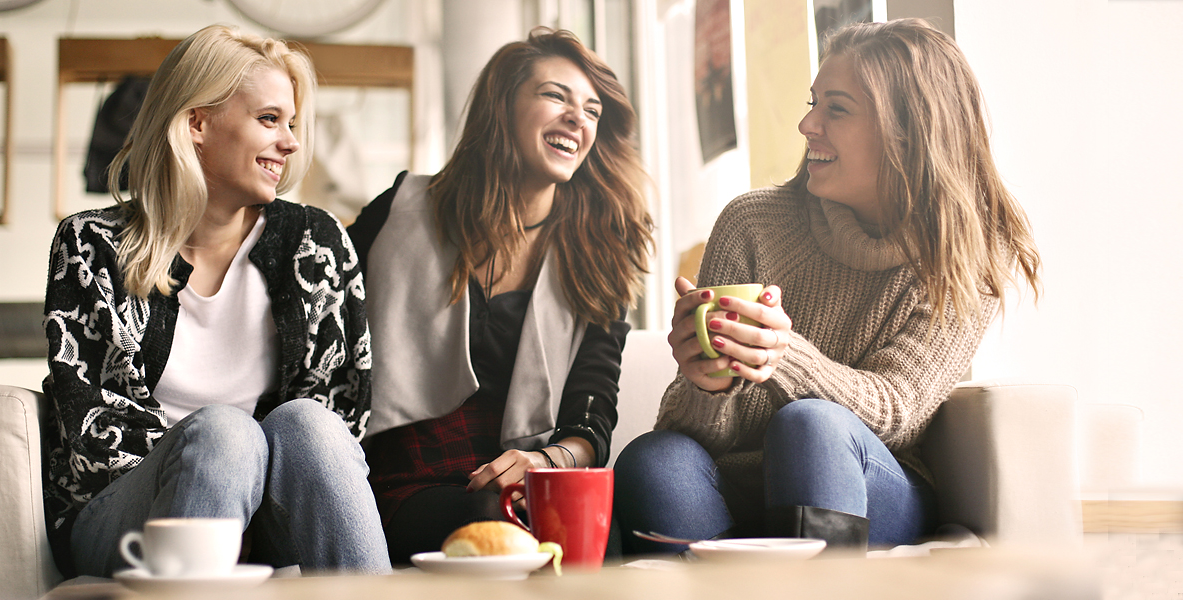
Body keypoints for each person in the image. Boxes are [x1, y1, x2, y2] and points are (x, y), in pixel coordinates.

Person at [614, 18, 1041, 553]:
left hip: (866, 487)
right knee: (654, 459)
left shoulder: (960, 254)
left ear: (907, 132)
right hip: (731, 493)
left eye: (835, 109)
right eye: (813, 102)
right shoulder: (752, 224)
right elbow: (697, 437)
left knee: (810, 426)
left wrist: (780, 355)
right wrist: (707, 383)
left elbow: (899, 410)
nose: (807, 124)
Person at [41, 25, 390, 577]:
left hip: (269, 507)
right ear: (197, 123)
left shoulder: (316, 243)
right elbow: (93, 428)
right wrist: (227, 472)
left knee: (310, 424)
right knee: (226, 433)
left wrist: (251, 493)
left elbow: (346, 404)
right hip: (123, 512)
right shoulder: (92, 245)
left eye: (292, 124)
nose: (292, 142)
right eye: (270, 119)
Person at [346, 28, 653, 563]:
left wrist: (549, 462)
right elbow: (326, 339)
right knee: (495, 529)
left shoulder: (600, 252)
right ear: (502, 106)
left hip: (529, 479)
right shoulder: (398, 210)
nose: (578, 119)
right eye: (555, 95)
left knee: (599, 531)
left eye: (592, 110)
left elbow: (592, 413)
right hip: (404, 480)